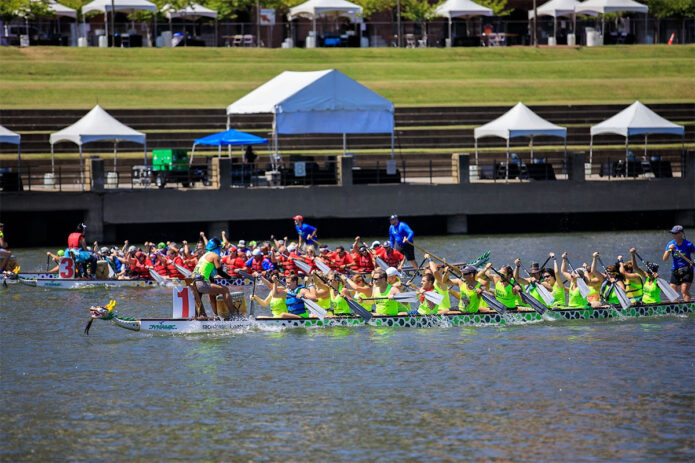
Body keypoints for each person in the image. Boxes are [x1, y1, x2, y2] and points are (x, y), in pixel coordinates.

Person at [192, 238, 235, 318]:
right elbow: (220, 272)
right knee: (225, 290)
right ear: (217, 248)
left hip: (193, 283)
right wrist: (230, 278)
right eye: (219, 248)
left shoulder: (204, 256)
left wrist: (212, 281)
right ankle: (234, 315)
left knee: (209, 295)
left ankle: (201, 317)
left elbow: (209, 273)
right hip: (201, 283)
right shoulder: (214, 256)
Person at [663, 225, 694, 302]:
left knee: (684, 290)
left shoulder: (688, 244)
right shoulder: (670, 244)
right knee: (672, 291)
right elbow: (664, 259)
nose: (673, 235)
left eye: (675, 233)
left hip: (687, 270)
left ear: (681, 234)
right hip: (675, 270)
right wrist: (670, 250)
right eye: (673, 233)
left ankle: (688, 308)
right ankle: (676, 309)